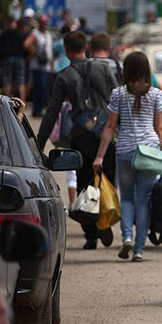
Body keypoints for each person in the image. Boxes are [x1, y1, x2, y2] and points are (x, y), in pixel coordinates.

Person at [37, 31, 119, 250]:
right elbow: (117, 98)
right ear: (87, 47)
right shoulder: (103, 69)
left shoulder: (64, 76)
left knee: (84, 183)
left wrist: (39, 142)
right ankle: (103, 219)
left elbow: (52, 112)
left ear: (66, 49)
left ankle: (91, 234)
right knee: (106, 181)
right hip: (107, 135)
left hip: (81, 138)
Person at [92, 51, 162, 262]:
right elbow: (160, 128)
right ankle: (139, 249)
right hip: (150, 152)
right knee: (143, 200)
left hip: (125, 151)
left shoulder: (118, 93)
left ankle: (126, 236)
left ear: (126, 70)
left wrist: (99, 156)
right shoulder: (155, 94)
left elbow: (110, 127)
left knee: (126, 198)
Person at [25, 14, 53, 117]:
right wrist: (35, 53)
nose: (45, 24)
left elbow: (51, 52)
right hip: (37, 66)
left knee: (44, 89)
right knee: (39, 88)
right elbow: (26, 44)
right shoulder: (35, 33)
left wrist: (51, 66)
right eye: (42, 22)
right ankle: (37, 110)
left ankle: (40, 108)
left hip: (46, 66)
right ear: (39, 23)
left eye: (46, 22)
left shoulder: (48, 35)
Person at [0, 16, 27, 99]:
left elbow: (0, 47)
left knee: (7, 80)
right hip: (19, 58)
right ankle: (22, 101)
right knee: (21, 81)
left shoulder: (4, 33)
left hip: (7, 58)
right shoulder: (20, 32)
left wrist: (0, 61)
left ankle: (6, 102)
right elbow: (24, 46)